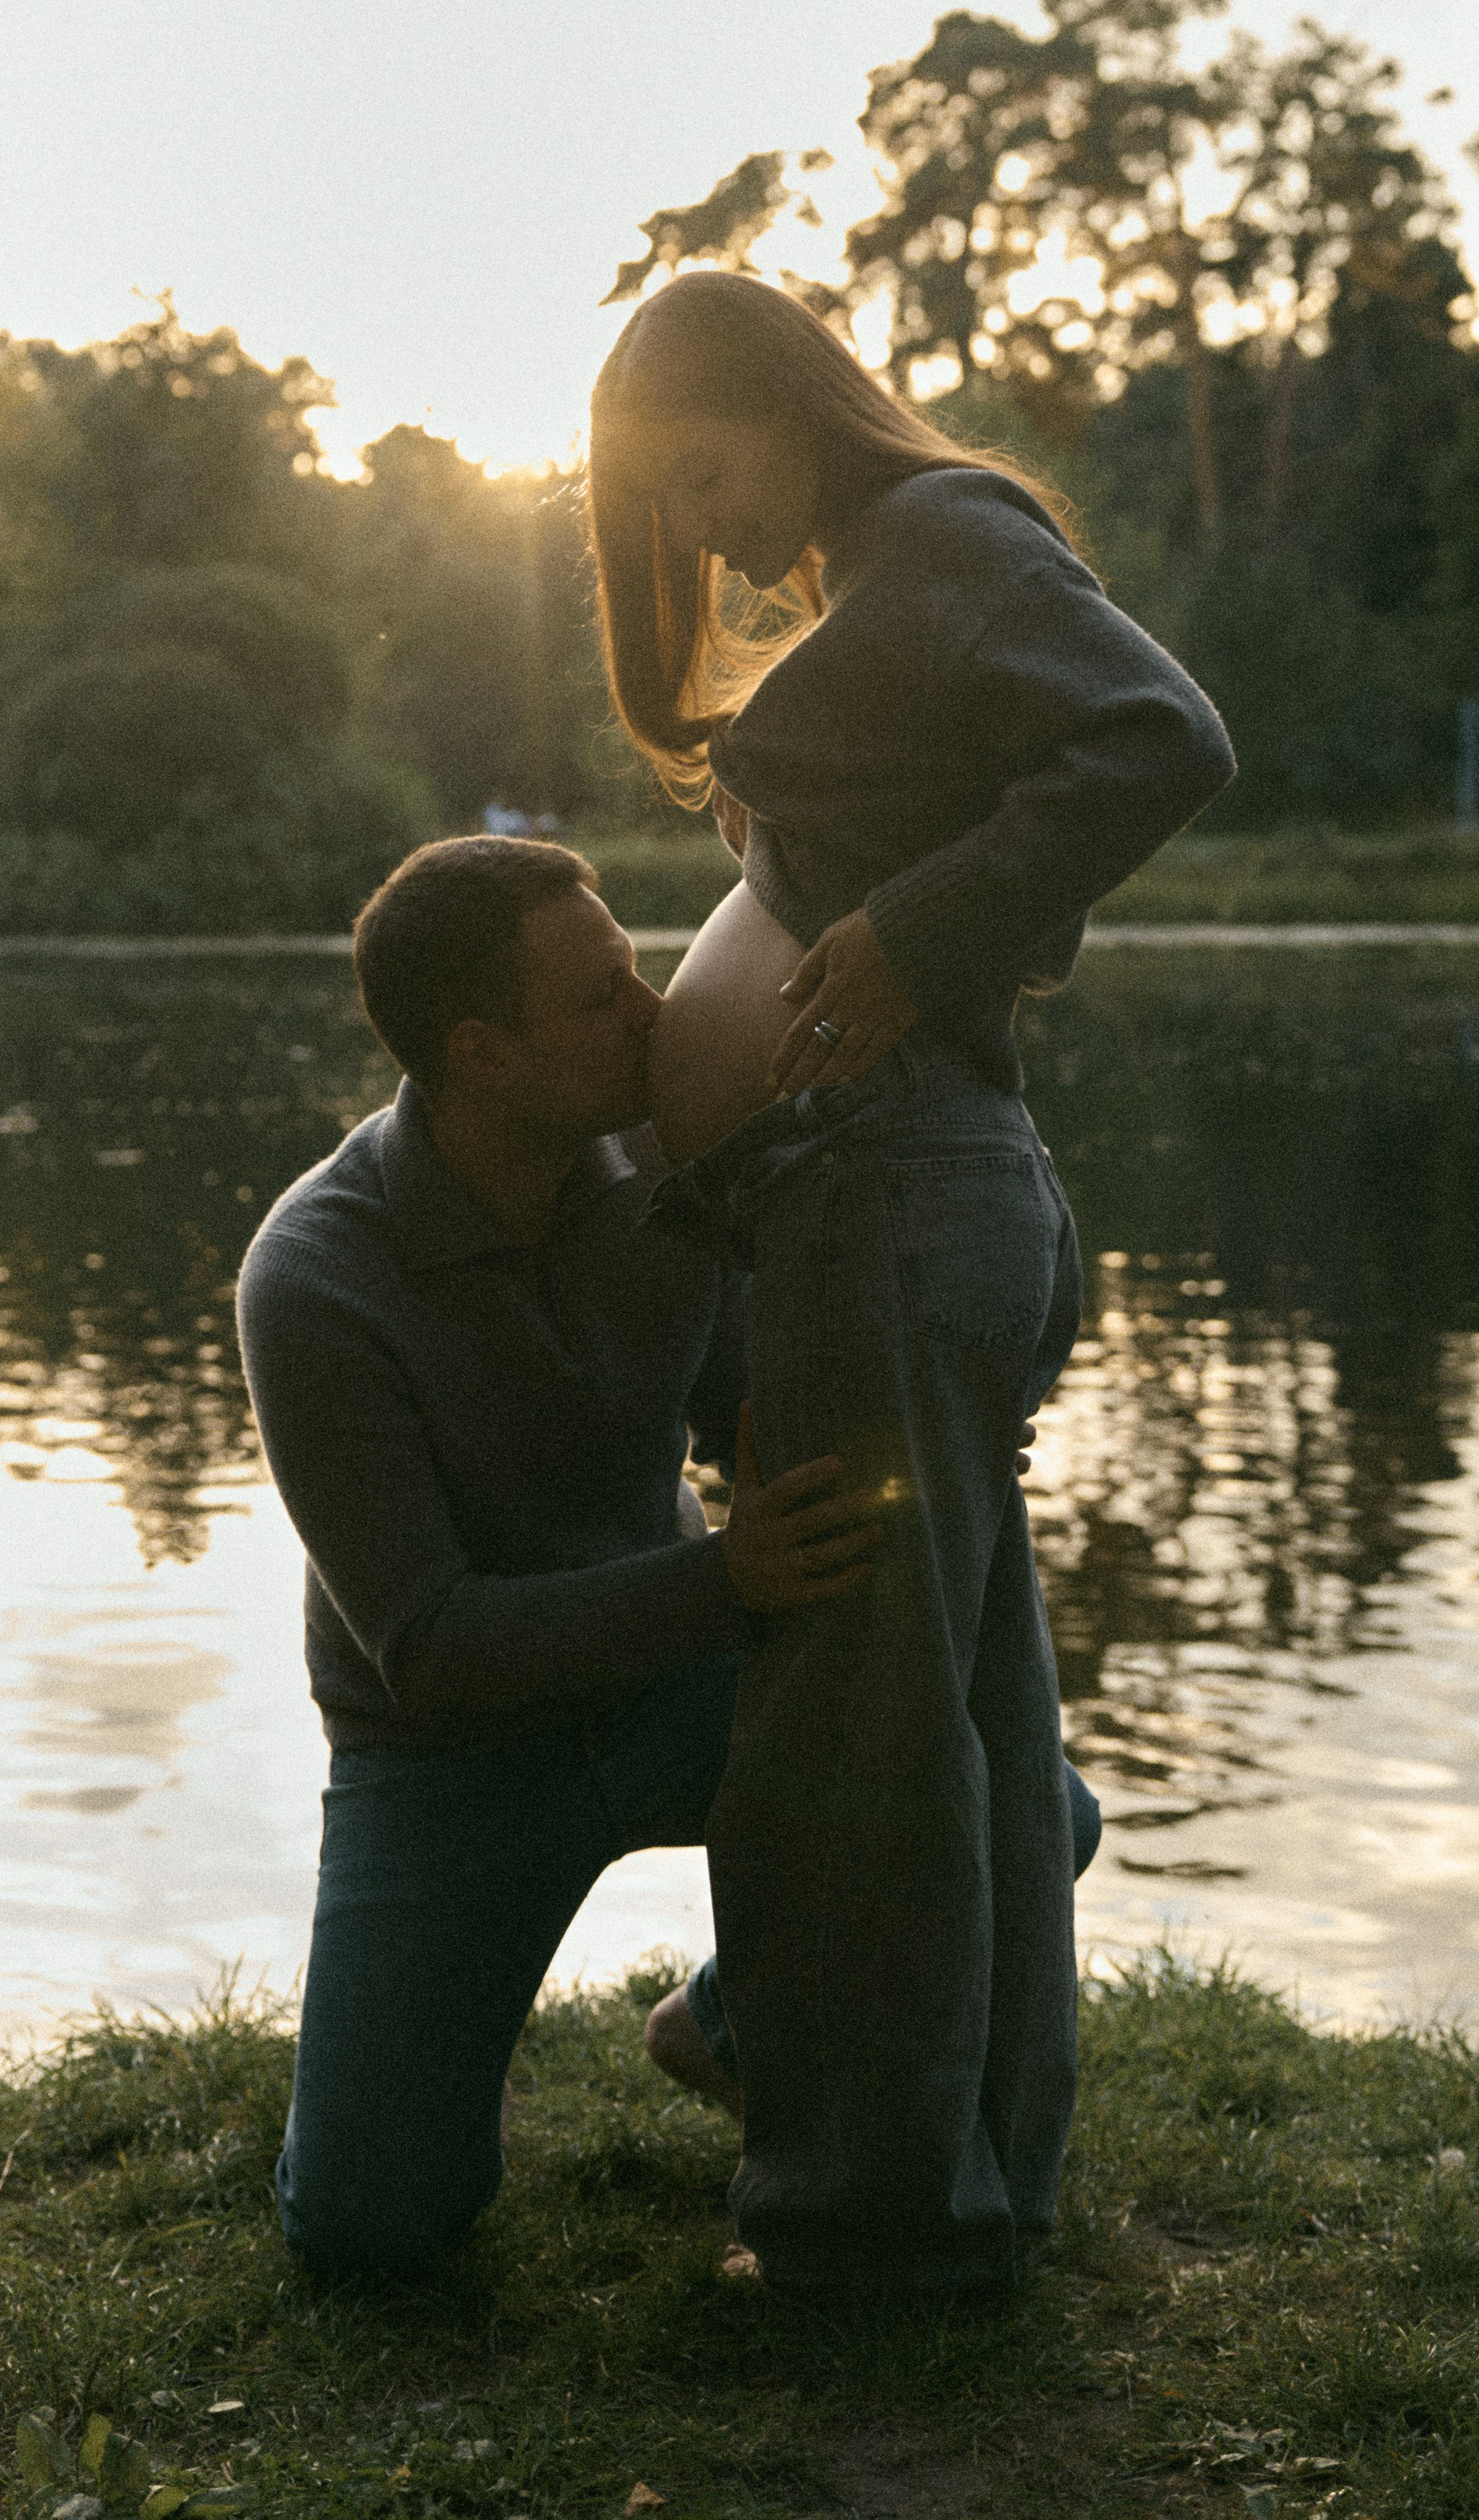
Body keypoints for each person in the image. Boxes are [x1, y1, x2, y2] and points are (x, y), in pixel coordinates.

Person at [588, 268, 1234, 2297]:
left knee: (858, 1732)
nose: (698, 530)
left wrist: (911, 934)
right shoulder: (884, 569)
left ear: (790, 399)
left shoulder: (942, 537)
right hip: (869, 1213)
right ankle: (976, 2178)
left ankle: (864, 2219)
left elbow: (1160, 738)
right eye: (659, 506)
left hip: (894, 1208)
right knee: (944, 1704)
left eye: (703, 472)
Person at [238, 834, 1098, 2278]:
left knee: (1030, 1814)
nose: (659, 1015)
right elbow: (430, 1645)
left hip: (683, 1689)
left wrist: (930, 1429)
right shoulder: (317, 1276)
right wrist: (722, 1584)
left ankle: (724, 2024)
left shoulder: (668, 1169)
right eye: (603, 999)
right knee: (370, 2235)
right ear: (481, 1054)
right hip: (443, 1754)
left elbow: (781, 1402)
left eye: (638, 972)